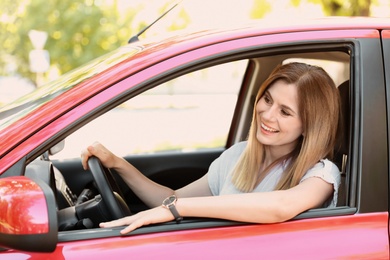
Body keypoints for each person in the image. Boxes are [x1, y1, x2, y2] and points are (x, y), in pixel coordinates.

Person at [81, 62, 341, 235]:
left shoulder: (320, 175)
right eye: (267, 99)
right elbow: (171, 198)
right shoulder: (240, 155)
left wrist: (176, 210)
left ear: (308, 126)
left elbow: (281, 207)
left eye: (285, 112)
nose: (267, 115)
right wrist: (118, 164)